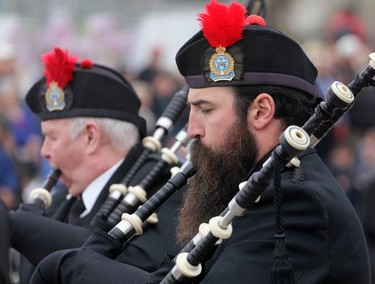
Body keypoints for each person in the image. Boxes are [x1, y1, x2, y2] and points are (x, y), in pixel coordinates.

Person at [30, 1, 370, 283]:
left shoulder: (294, 200)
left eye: (205, 109)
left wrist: (69, 267)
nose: (191, 128)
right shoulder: (248, 184)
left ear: (261, 111)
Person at [6, 47, 184, 283]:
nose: (44, 151)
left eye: (53, 138)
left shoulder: (167, 195)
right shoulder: (57, 205)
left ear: (91, 137)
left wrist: (24, 230)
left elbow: (130, 267)